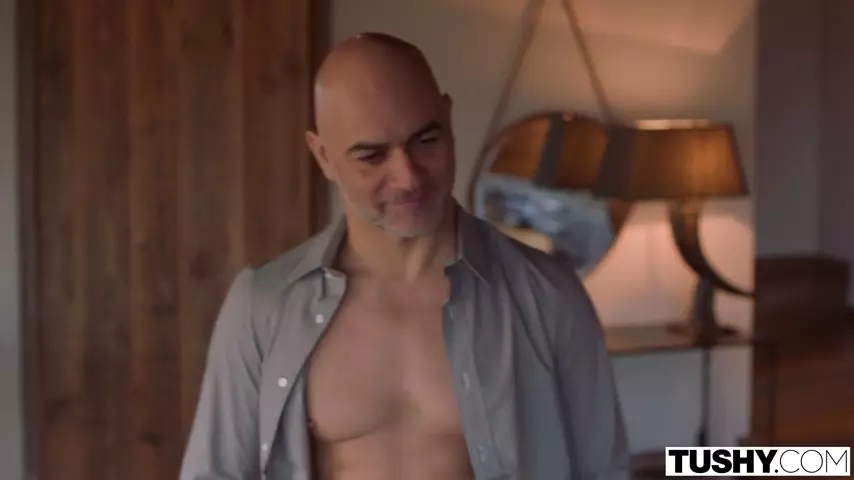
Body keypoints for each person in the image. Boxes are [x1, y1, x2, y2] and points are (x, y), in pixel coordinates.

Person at [180, 32, 631, 480]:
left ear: (448, 118)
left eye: (425, 140)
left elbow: (603, 470)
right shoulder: (263, 305)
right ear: (323, 156)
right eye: (371, 156)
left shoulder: (548, 296)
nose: (408, 177)